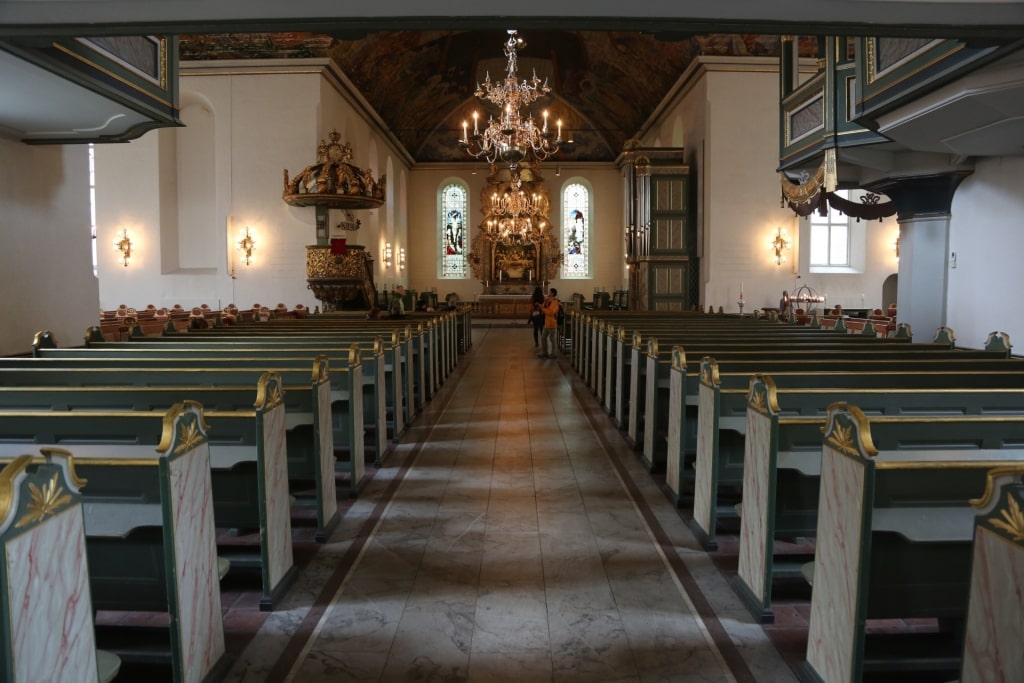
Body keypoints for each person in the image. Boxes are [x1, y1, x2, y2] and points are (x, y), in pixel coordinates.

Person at [537, 287, 560, 359]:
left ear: (552, 293)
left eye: (549, 291)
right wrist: (541, 305)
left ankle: (554, 354)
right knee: (543, 338)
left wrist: (542, 308)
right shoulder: (547, 300)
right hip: (547, 323)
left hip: (552, 323)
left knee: (552, 339)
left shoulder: (555, 302)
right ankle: (545, 353)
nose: (547, 292)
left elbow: (551, 313)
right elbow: (544, 308)